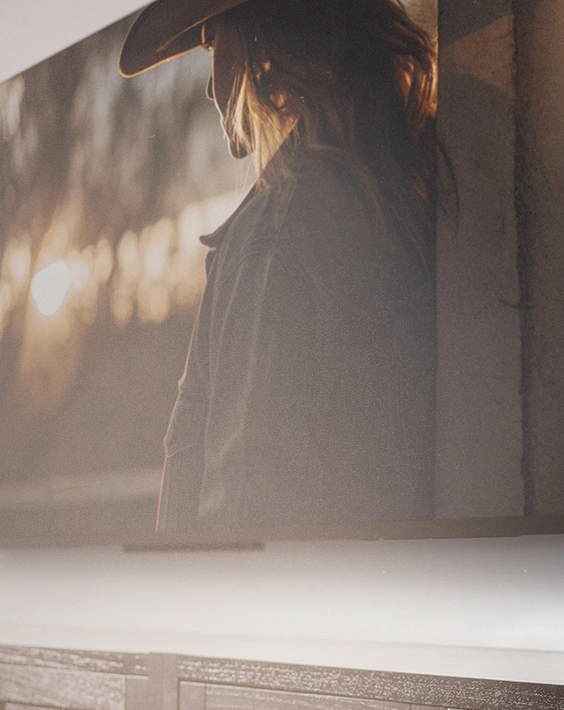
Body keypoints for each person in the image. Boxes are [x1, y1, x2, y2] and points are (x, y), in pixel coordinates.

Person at [122, 0, 439, 533]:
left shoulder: (278, 233)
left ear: (261, 41)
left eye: (211, 41)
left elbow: (246, 492)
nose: (207, 86)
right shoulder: (383, 194)